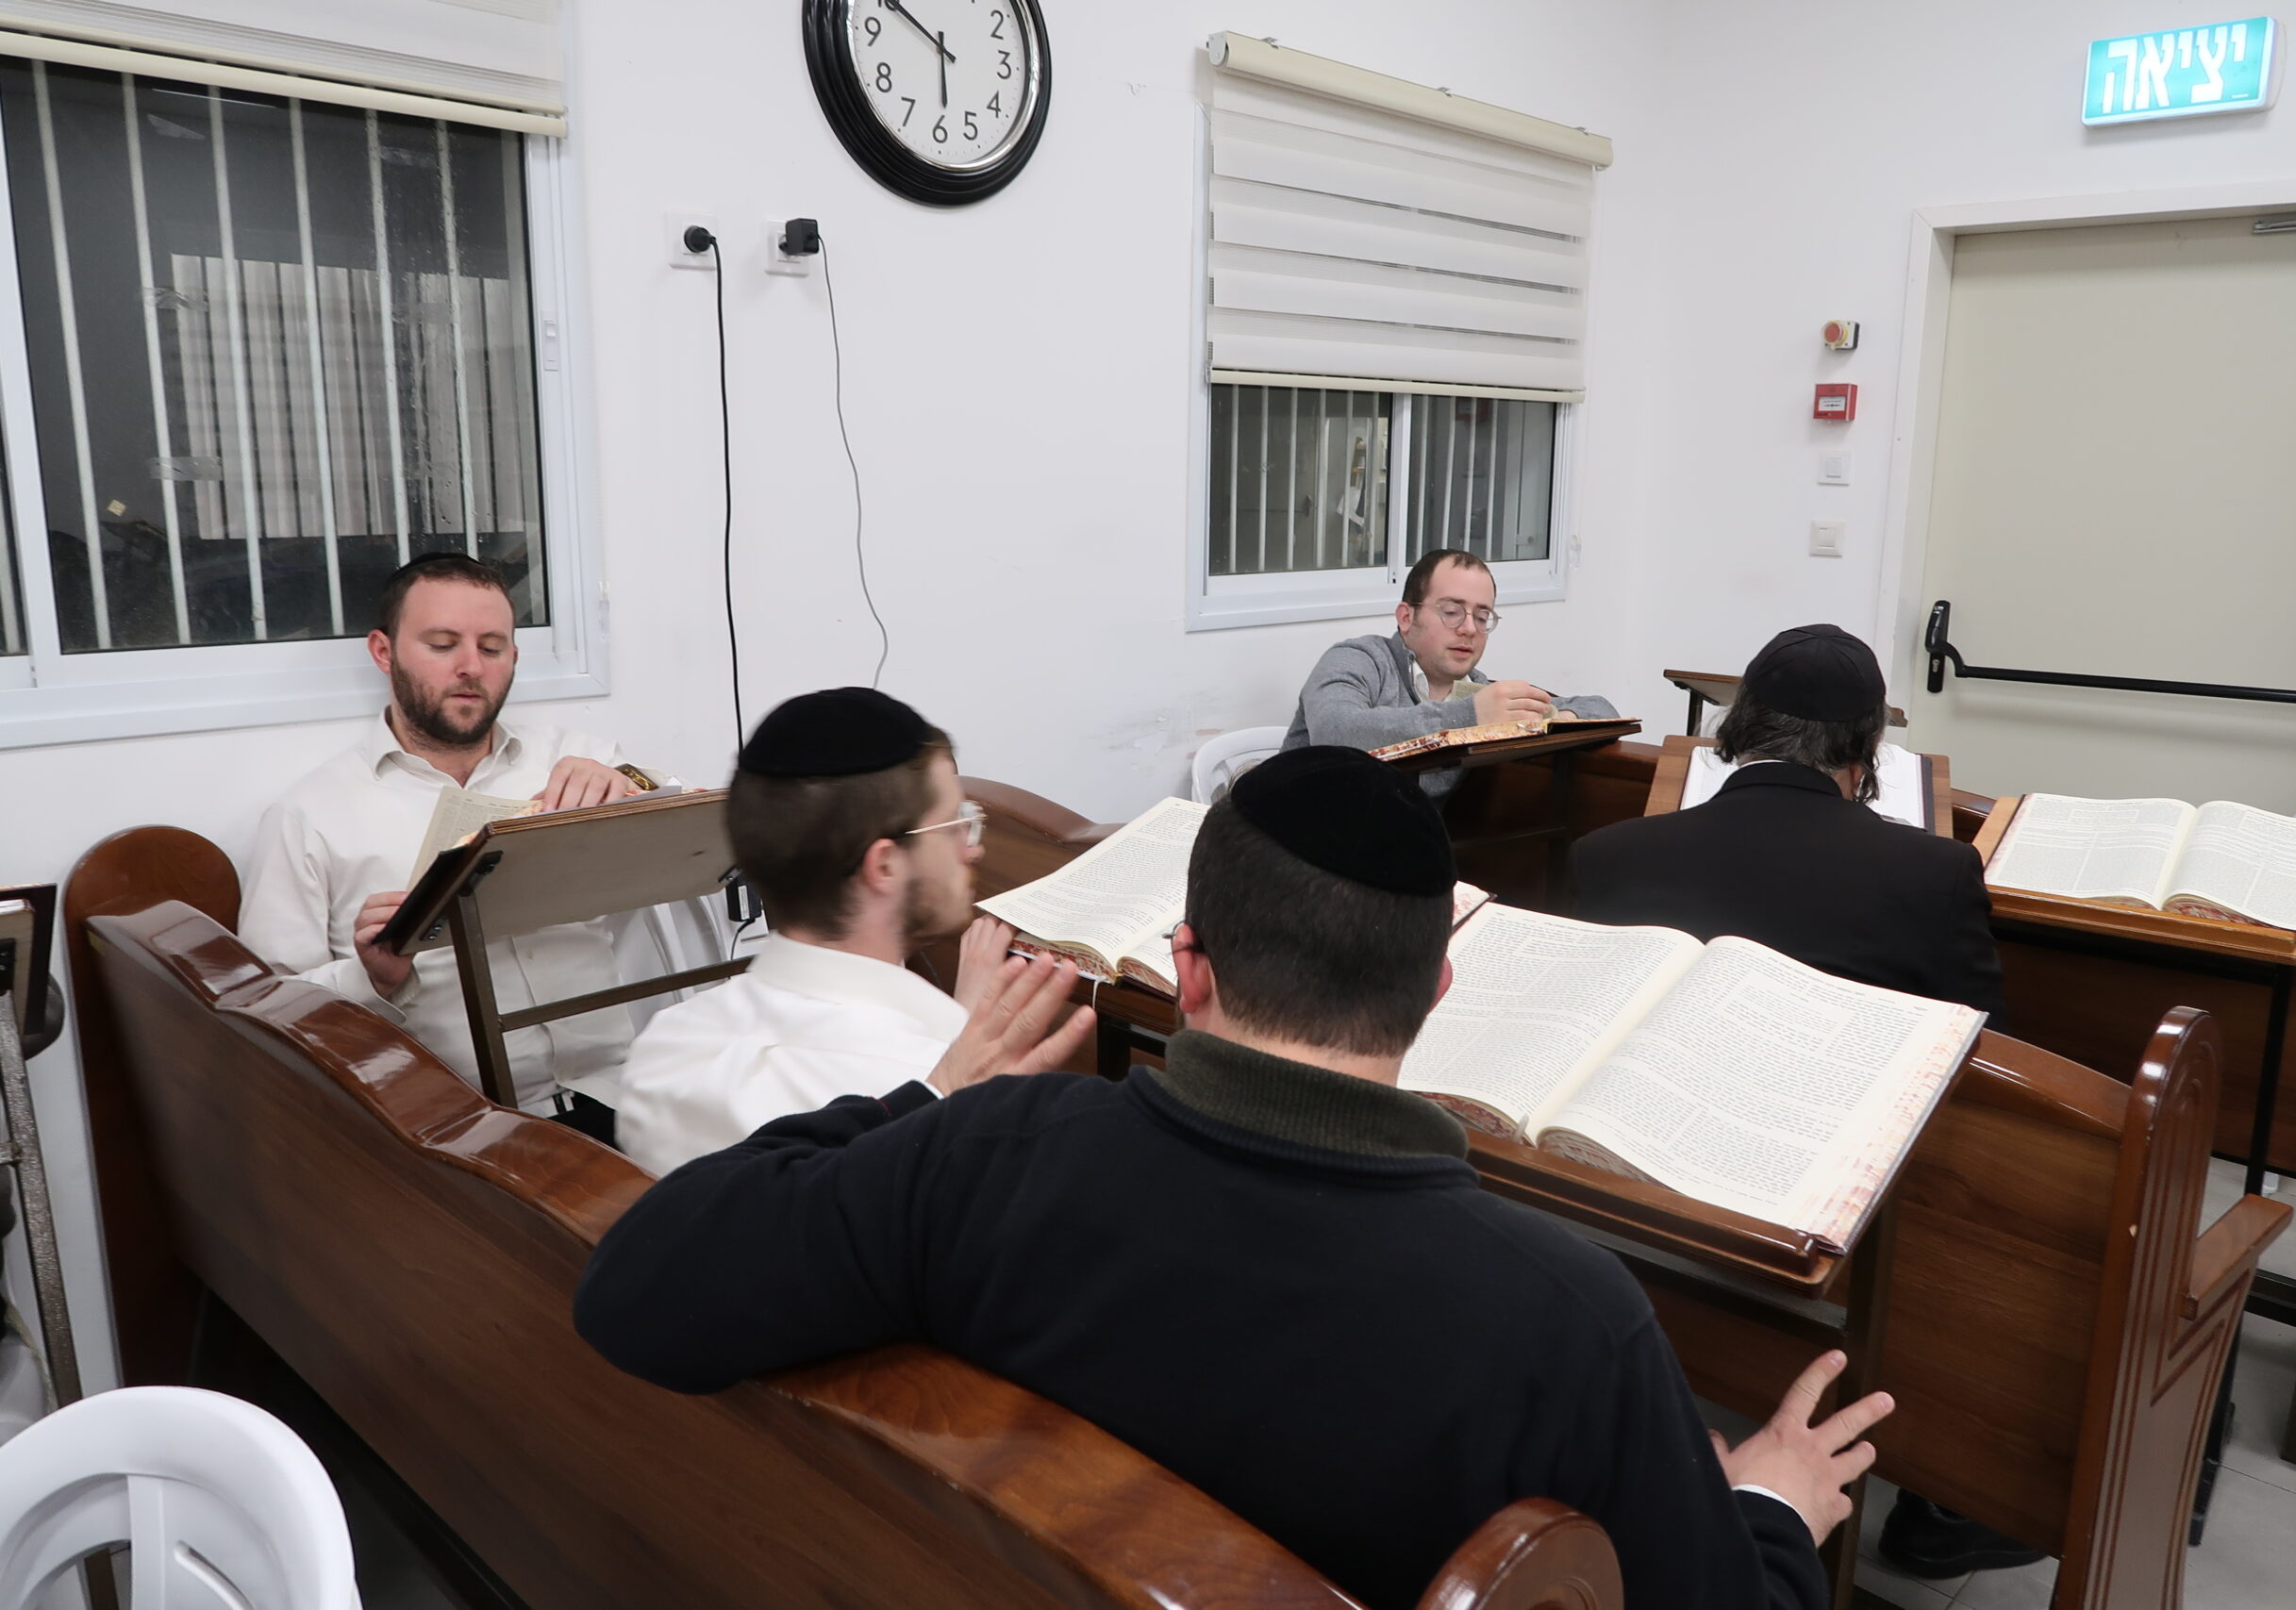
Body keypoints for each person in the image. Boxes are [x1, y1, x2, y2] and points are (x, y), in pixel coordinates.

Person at [574, 745, 1888, 1610]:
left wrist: (933, 1092)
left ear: (1188, 965)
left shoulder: (988, 1149)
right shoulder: (1568, 1317)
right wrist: (1770, 1503)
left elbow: (638, 1290)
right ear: (1435, 989)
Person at [1568, 624, 2024, 1580]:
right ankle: (1945, 1495)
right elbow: (1975, 1062)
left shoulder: (1606, 855)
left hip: (1625, 1204)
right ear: (1865, 753)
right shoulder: (1932, 873)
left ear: (1737, 730)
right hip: (1828, 1229)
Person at [240, 554, 647, 1129]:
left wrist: (635, 785)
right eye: (442, 644)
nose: (470, 667)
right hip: (451, 1131)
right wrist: (374, 979)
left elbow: (703, 832)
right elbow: (268, 1012)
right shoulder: (309, 815)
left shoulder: (577, 757)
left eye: (492, 647)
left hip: (618, 1093)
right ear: (384, 652)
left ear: (514, 656)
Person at [615, 687, 1018, 1177]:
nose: (972, 848)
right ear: (885, 865)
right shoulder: (932, 1081)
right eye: (954, 824)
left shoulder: (663, 1050)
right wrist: (960, 1035)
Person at [1570, 624, 2005, 1021]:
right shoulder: (1938, 872)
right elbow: (1978, 1040)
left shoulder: (1604, 855)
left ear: (1739, 721)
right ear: (1869, 743)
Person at [1281, 549, 1618, 795]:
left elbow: (1600, 708)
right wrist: (1470, 717)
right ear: (1406, 617)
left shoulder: (1479, 691)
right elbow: (1335, 732)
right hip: (1297, 842)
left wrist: (1557, 720)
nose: (1469, 629)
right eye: (1452, 612)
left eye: (1482, 617)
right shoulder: (1359, 659)